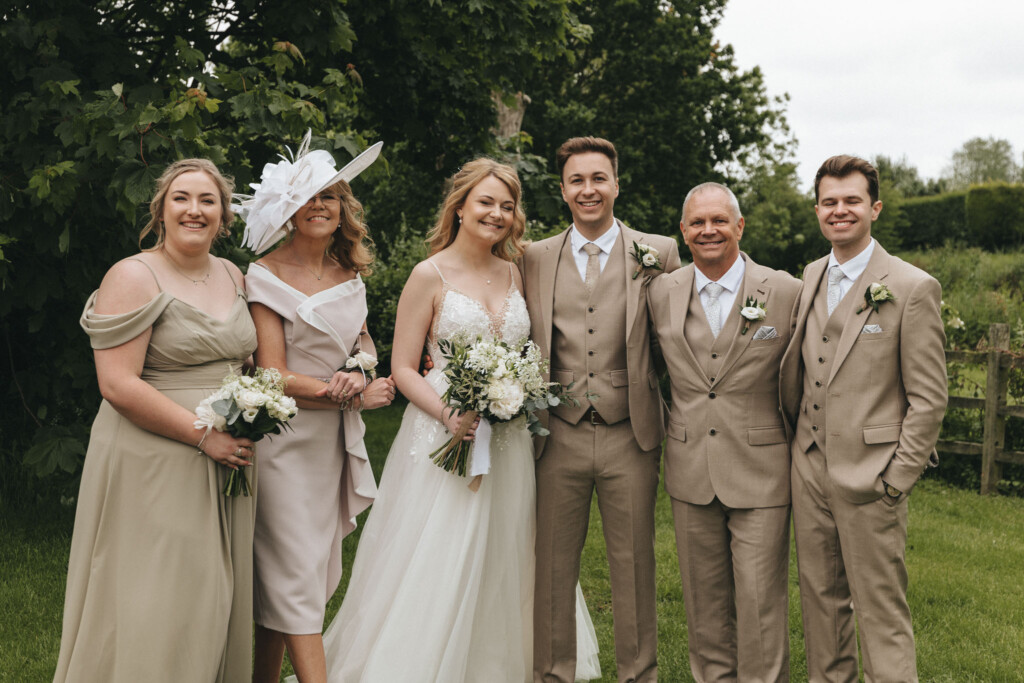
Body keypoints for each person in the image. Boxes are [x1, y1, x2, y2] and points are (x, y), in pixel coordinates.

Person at [315, 158, 600, 683]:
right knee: (437, 550)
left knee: (507, 546)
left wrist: (516, 390)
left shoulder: (516, 272)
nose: (496, 214)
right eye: (486, 202)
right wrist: (451, 414)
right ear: (461, 206)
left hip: (510, 434)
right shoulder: (430, 274)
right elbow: (401, 368)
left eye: (507, 206)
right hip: (443, 428)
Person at [54, 159, 259, 682]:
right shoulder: (132, 275)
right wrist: (204, 435)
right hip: (156, 456)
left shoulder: (233, 274)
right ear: (161, 211)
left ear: (223, 214)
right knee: (161, 597)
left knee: (213, 594)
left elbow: (245, 361)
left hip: (227, 455)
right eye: (182, 199)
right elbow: (118, 384)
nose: (195, 210)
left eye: (207, 201)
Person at [779, 155, 948, 682]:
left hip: (873, 475)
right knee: (821, 605)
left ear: (874, 208)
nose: (840, 210)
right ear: (817, 211)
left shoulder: (912, 287)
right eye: (829, 202)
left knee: (879, 611)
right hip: (808, 468)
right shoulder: (809, 275)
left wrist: (897, 478)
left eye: (852, 200)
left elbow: (929, 397)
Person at [235, 132, 394, 683]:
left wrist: (361, 369)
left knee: (298, 573)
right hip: (285, 442)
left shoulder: (348, 275)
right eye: (306, 197)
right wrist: (343, 392)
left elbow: (366, 344)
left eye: (330, 196)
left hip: (330, 444)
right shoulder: (264, 276)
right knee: (296, 575)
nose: (319, 206)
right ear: (287, 209)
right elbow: (272, 372)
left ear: (342, 208)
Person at [521, 136, 681, 683]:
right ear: (562, 190)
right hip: (554, 432)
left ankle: (640, 675)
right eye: (576, 180)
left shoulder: (658, 252)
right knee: (551, 569)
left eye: (598, 178)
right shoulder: (534, 256)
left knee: (635, 567)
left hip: (630, 431)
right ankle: (552, 675)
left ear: (616, 183)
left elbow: (677, 340)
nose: (588, 190)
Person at [647, 182, 800, 682]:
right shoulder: (661, 291)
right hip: (691, 469)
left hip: (761, 469)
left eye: (718, 220)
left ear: (739, 226)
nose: (707, 230)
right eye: (697, 222)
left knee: (759, 605)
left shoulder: (784, 291)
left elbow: (803, 377)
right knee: (703, 606)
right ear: (684, 232)